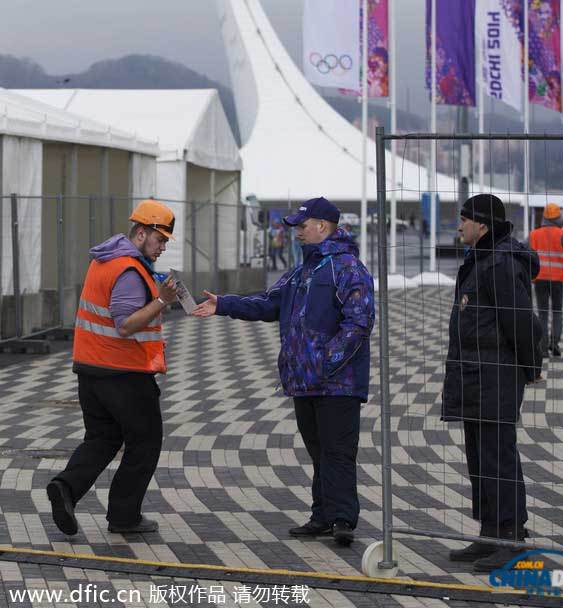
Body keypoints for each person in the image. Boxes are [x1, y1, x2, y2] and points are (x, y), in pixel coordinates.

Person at [193, 197, 374, 546]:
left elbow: (359, 322)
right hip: (305, 381)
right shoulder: (302, 271)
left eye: (302, 227)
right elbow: (268, 302)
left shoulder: (348, 268)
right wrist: (223, 304)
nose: (296, 234)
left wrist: (326, 363)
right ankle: (322, 515)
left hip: (337, 383)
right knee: (319, 451)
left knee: (337, 451)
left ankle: (342, 519)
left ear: (322, 226)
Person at [46, 200, 179, 536]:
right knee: (146, 441)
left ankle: (66, 487)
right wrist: (162, 300)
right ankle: (124, 515)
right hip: (123, 373)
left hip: (90, 369)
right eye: (159, 239)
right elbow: (124, 324)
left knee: (102, 437)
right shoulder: (129, 270)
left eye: (164, 241)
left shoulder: (104, 261)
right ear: (139, 233)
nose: (162, 246)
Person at [441, 194, 542, 572]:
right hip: (474, 375)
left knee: (498, 458)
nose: (459, 225)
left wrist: (531, 367)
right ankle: (489, 533)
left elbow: (520, 321)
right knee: (480, 458)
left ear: (482, 225)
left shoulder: (498, 263)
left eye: (464, 219)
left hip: (495, 376)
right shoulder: (480, 259)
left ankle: (511, 537)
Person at [529, 203, 563, 358]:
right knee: (557, 311)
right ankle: (554, 343)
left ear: (544, 217)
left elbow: (523, 249)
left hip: (540, 278)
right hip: (557, 279)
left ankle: (542, 348)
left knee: (542, 313)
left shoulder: (534, 234)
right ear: (559, 218)